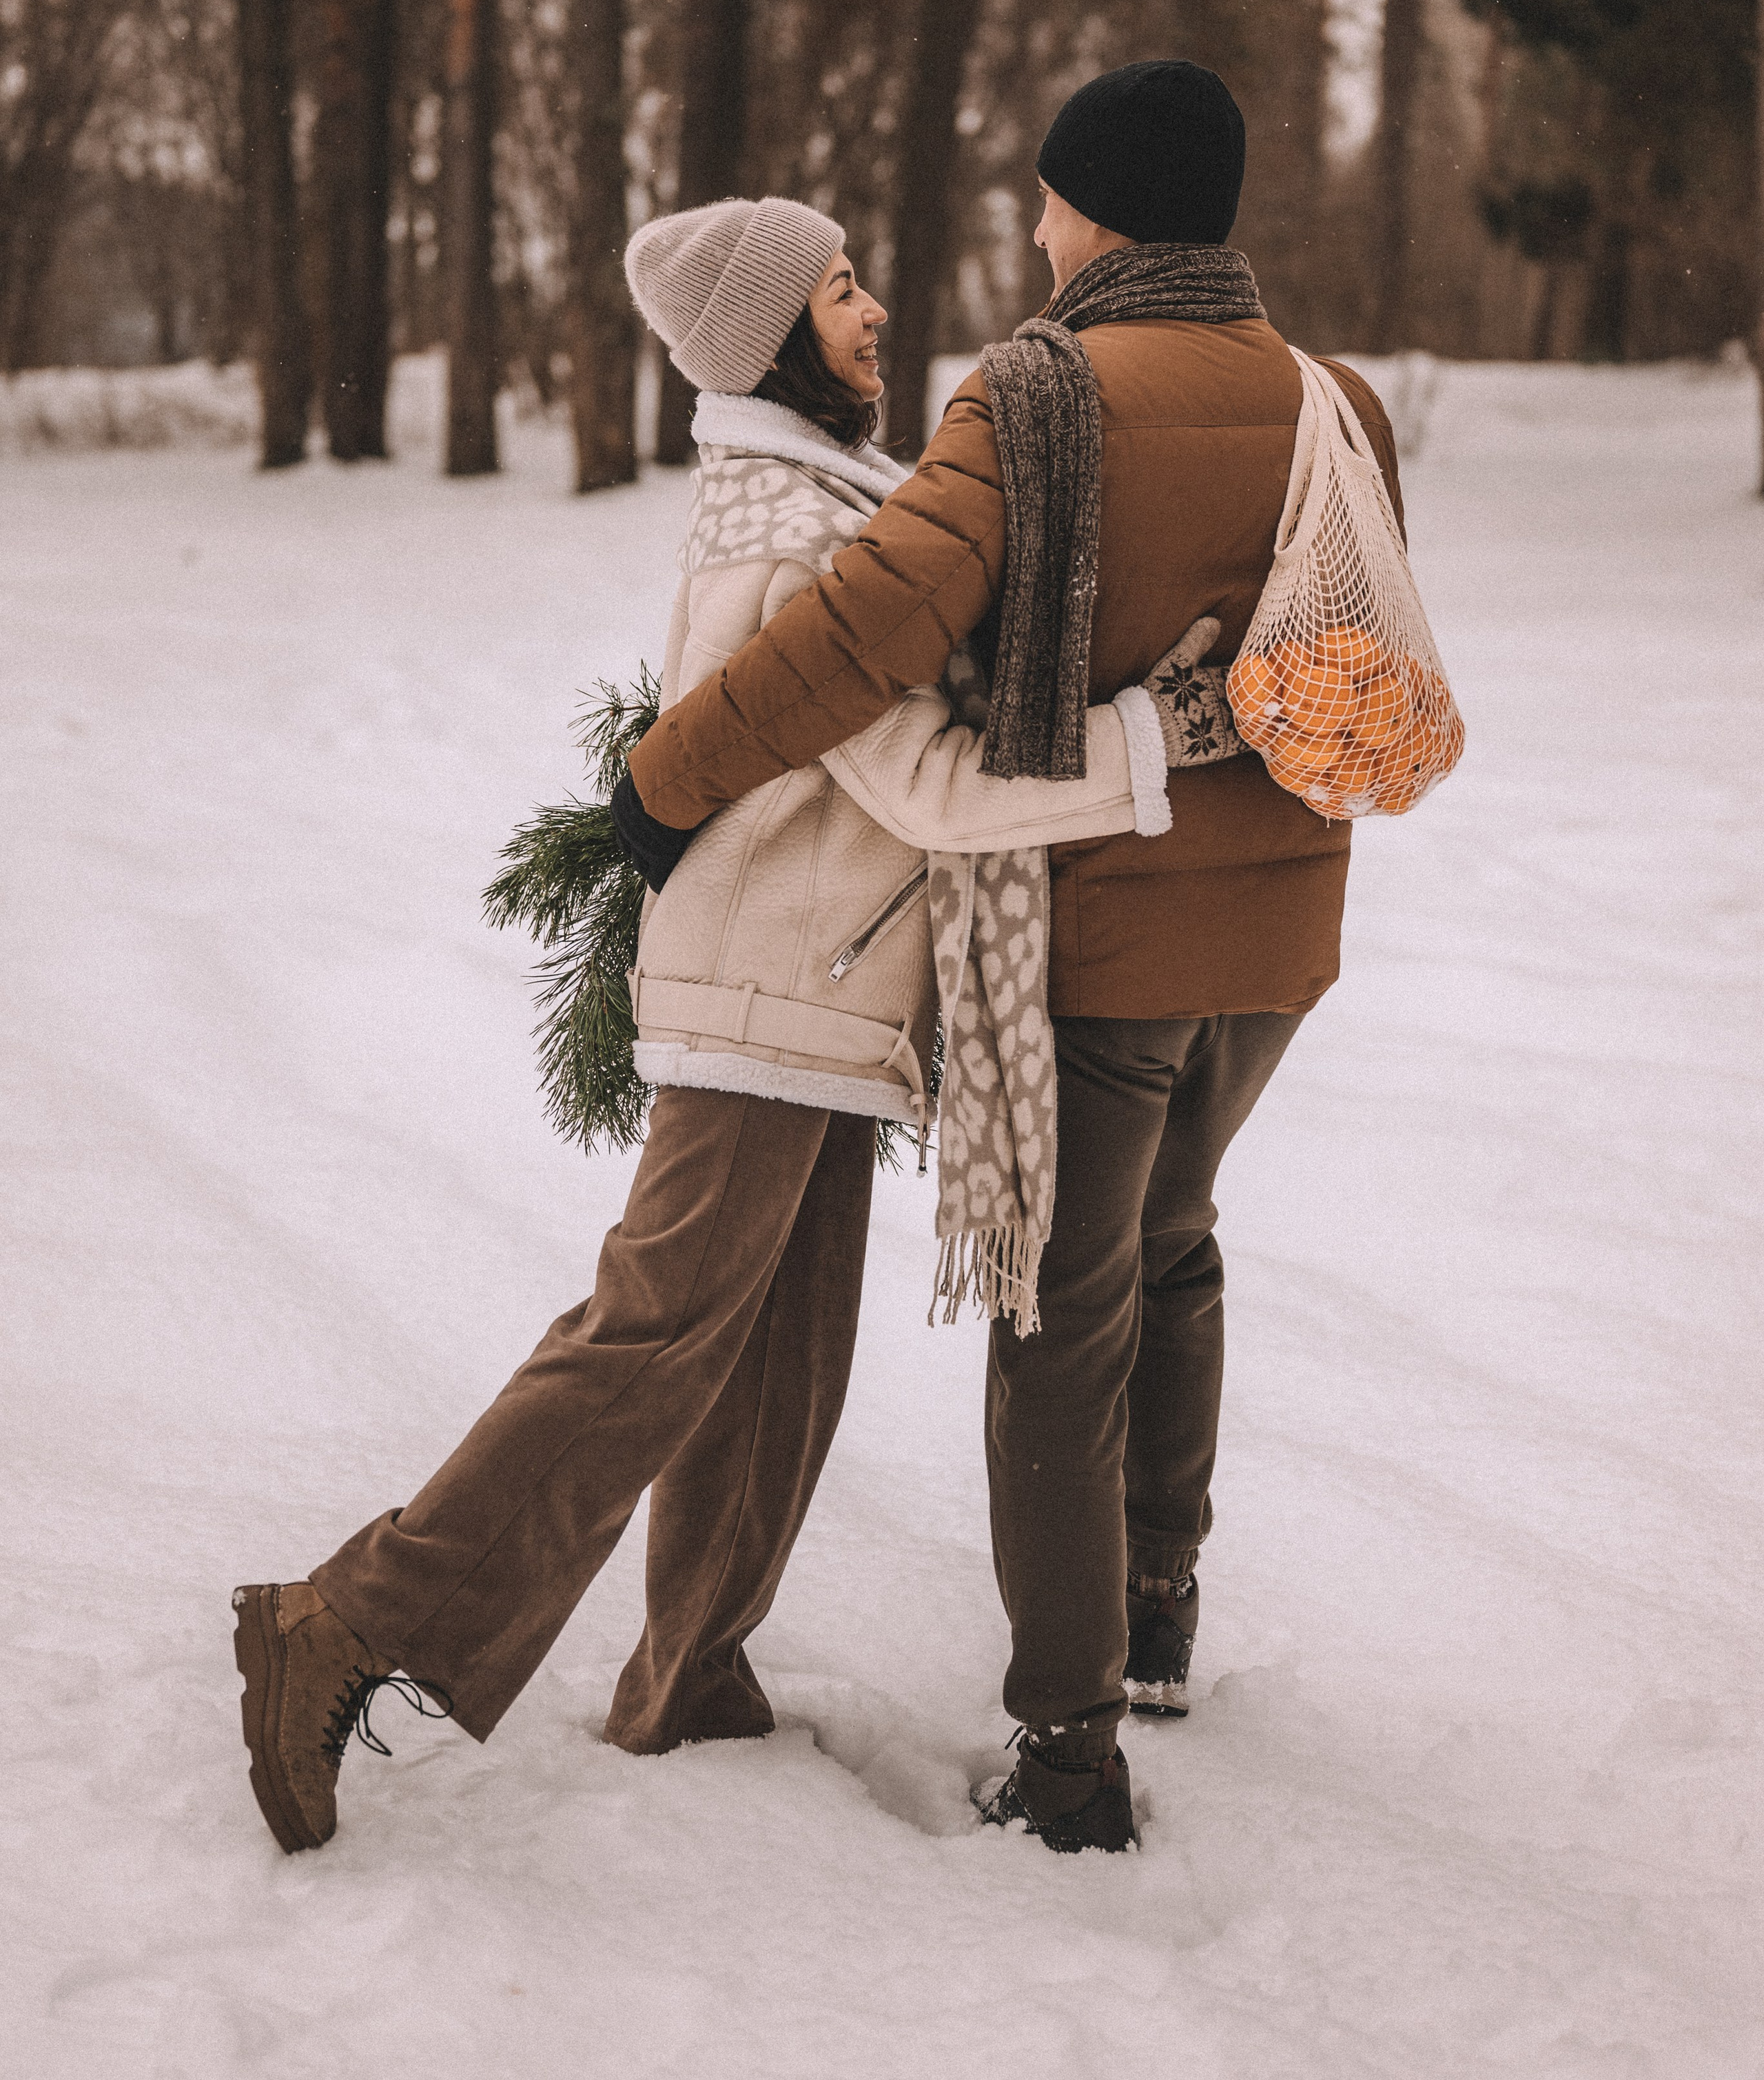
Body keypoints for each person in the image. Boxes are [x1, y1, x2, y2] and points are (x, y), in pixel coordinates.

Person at [232, 192, 1231, 1857]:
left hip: (822, 994)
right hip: (778, 990)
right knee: (649, 1344)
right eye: (836, 289)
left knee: (778, 1364)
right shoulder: (798, 529)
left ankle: (689, 1669)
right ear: (768, 336)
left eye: (857, 272)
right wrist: (1152, 739)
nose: (868, 305)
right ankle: (343, 1623)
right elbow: (917, 781)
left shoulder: (830, 493)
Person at [612, 63, 1406, 1855]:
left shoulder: (1034, 394)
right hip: (1282, 933)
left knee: (1066, 1311)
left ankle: (1069, 1745)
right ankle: (1162, 1603)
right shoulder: (1331, 399)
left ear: (1098, 205)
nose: (1033, 230)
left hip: (1108, 933)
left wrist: (671, 773)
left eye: (1048, 198)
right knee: (1183, 1236)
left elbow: (860, 634)